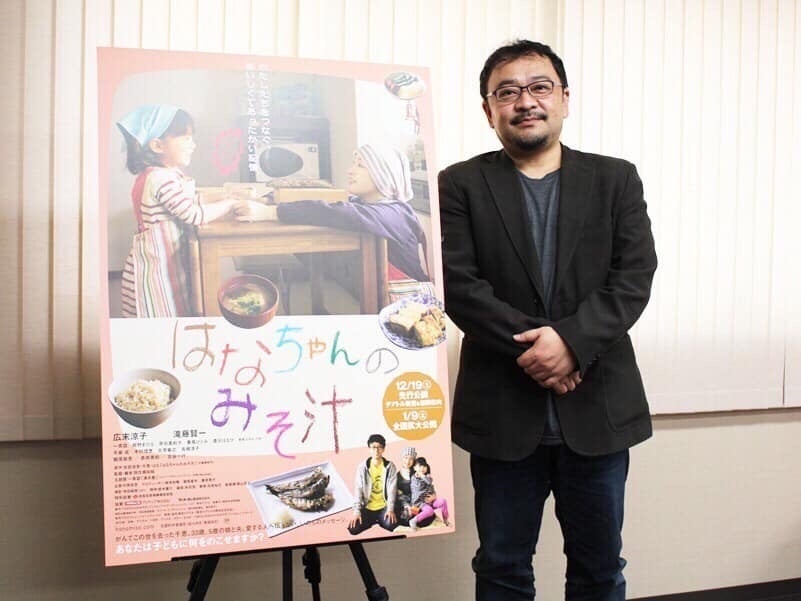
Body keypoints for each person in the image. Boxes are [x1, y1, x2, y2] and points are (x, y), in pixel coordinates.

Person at [438, 40, 657, 601]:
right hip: (502, 412)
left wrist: (572, 343)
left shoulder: (615, 179)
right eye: (507, 92)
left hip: (597, 409)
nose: (525, 101)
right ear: (488, 110)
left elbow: (633, 277)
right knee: (502, 568)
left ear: (564, 99)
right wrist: (540, 351)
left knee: (599, 569)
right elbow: (458, 286)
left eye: (539, 87)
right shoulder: (458, 184)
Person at [236, 144, 433, 303]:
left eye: (361, 165)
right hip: (384, 300)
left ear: (383, 173)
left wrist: (271, 212)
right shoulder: (367, 204)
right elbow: (323, 199)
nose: (350, 171)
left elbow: (334, 211)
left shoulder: (395, 214)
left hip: (412, 308)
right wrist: (268, 199)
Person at [117, 104, 240, 317]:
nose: (193, 145)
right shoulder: (160, 179)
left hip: (166, 262)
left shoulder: (166, 174)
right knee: (161, 314)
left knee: (173, 308)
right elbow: (193, 214)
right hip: (156, 268)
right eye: (186, 138)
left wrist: (225, 196)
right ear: (158, 145)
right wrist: (228, 204)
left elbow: (190, 200)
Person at [347, 433, 398, 535]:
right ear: (369, 449)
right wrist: (357, 511)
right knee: (353, 529)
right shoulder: (362, 467)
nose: (376, 450)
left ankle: (378, 519)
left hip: (383, 507)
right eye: (374, 447)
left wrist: (390, 509)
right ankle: (374, 520)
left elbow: (392, 490)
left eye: (379, 447)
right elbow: (358, 490)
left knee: (391, 525)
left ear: (383, 449)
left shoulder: (390, 466)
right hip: (367, 508)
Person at [394, 446, 434, 528]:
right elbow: (399, 494)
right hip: (405, 503)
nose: (408, 461)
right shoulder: (397, 475)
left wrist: (433, 496)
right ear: (402, 458)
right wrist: (406, 505)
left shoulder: (418, 472)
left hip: (420, 502)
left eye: (411, 459)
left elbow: (429, 484)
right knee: (404, 517)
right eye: (406, 458)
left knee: (427, 517)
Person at [407, 456, 449, 531]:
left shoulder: (427, 477)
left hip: (431, 500)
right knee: (429, 511)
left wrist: (434, 497)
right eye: (420, 466)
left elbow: (431, 487)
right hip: (420, 503)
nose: (422, 468)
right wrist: (423, 476)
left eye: (424, 466)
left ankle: (445, 519)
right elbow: (419, 488)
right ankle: (414, 521)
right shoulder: (414, 478)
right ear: (414, 468)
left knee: (443, 501)